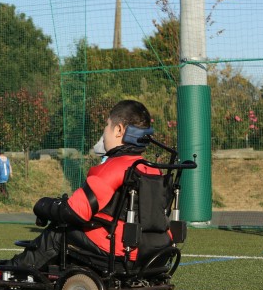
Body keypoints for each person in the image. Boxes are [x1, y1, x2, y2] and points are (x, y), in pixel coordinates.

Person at [9, 100, 162, 271]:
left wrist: (43, 206)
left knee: (58, 232)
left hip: (120, 248)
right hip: (152, 250)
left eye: (107, 125)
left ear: (119, 130)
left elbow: (75, 211)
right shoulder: (152, 169)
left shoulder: (114, 167)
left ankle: (13, 272)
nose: (104, 133)